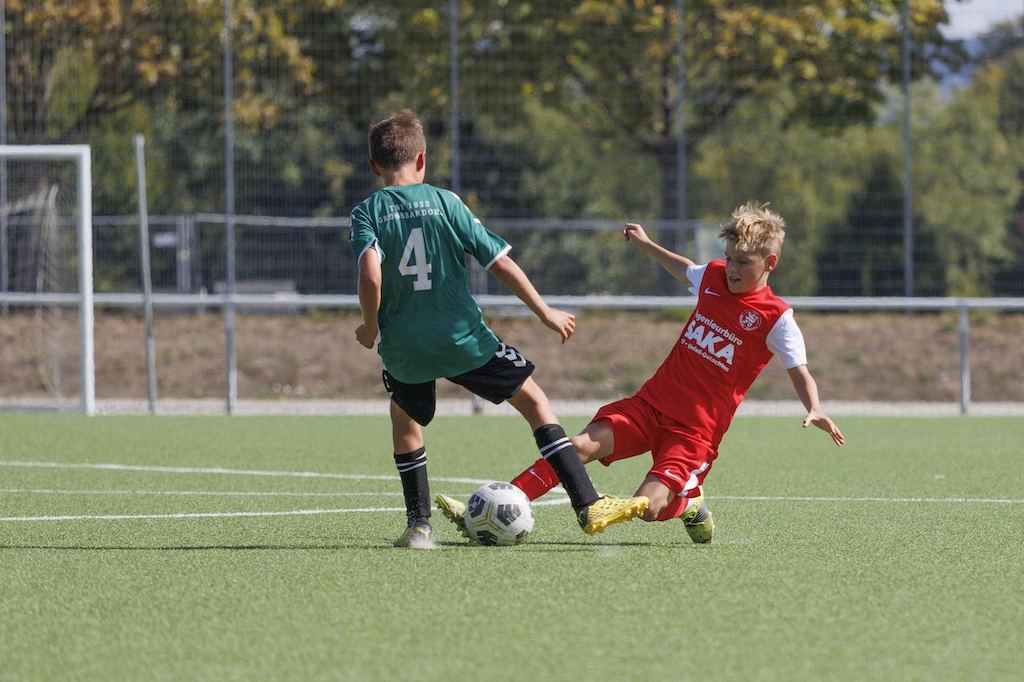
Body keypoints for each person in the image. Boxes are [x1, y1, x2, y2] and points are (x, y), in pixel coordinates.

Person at [437, 201, 844, 544]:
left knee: (648, 508)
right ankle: (494, 508)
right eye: (731, 257)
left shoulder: (776, 317)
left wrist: (814, 406)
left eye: (744, 262)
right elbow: (686, 269)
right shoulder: (715, 277)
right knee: (577, 447)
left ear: (770, 263)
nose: (732, 268)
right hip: (649, 405)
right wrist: (648, 245)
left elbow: (799, 371)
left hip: (694, 432)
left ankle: (689, 501)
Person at [349, 110, 648, 549]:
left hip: (405, 347)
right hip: (464, 340)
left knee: (404, 419)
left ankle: (419, 527)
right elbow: (499, 262)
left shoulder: (366, 212)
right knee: (535, 402)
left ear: (374, 166)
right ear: (422, 159)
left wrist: (370, 327)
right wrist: (544, 312)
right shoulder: (447, 203)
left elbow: (370, 276)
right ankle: (588, 503)